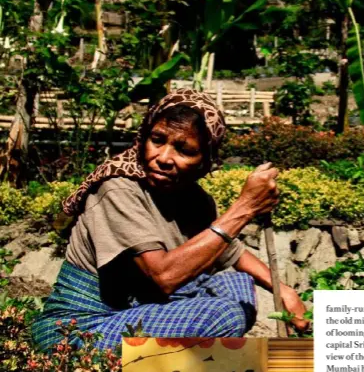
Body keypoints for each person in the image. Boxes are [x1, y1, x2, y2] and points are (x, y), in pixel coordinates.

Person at [32, 89, 308, 351]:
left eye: (184, 150)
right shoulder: (119, 188)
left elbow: (229, 250)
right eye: (158, 139)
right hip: (81, 329)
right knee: (223, 316)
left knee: (237, 287)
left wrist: (281, 289)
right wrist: (244, 208)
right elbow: (164, 276)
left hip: (132, 312)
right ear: (143, 137)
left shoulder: (194, 199)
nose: (164, 158)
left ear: (205, 160)